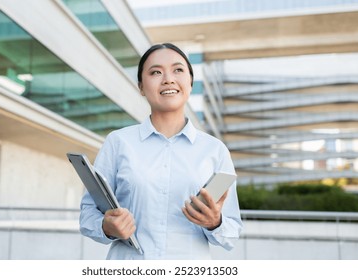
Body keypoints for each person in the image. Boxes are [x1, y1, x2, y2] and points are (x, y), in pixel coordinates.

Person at [79, 43, 242, 260]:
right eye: (156, 72)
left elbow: (231, 232)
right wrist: (107, 226)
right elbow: (88, 215)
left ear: (190, 82)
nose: (168, 79)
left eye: (178, 70)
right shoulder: (118, 142)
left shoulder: (215, 150)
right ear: (141, 86)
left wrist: (215, 222)